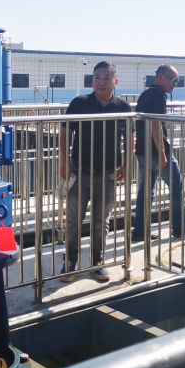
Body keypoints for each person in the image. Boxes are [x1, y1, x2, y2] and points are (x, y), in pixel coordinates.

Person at [59, 61, 131, 283]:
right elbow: (64, 132)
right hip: (80, 170)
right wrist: (64, 162)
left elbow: (130, 137)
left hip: (109, 173)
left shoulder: (123, 107)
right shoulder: (79, 103)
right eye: (97, 78)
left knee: (101, 221)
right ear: (92, 81)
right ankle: (70, 261)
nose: (101, 82)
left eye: (106, 78)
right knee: (73, 219)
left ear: (115, 81)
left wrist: (126, 164)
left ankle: (97, 262)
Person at [131, 64, 185, 241]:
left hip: (143, 150)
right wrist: (162, 153)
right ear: (160, 77)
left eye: (177, 81)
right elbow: (155, 124)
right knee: (176, 185)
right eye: (173, 80)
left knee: (145, 191)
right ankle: (179, 226)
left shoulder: (146, 94)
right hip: (156, 151)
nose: (174, 84)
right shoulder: (158, 95)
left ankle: (140, 230)